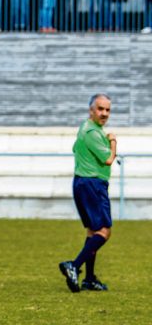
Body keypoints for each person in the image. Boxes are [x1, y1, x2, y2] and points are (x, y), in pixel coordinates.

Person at [59, 94, 117, 293]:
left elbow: (75, 149)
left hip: (82, 183)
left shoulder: (84, 127)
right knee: (104, 231)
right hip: (93, 184)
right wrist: (113, 141)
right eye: (100, 109)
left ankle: (89, 279)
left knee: (93, 231)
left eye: (108, 110)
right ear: (91, 110)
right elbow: (108, 159)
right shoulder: (93, 132)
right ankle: (74, 266)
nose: (104, 113)